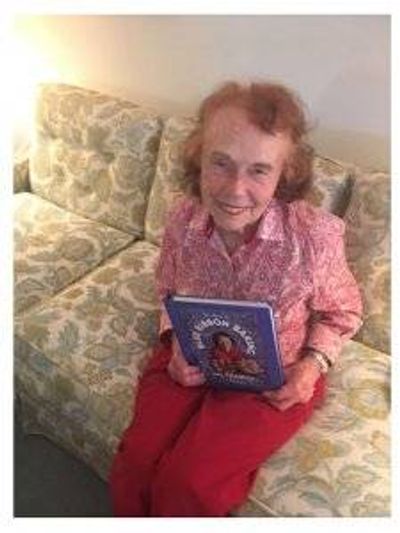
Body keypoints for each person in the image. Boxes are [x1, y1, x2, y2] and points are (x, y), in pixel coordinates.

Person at [109, 80, 362, 517]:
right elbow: (168, 288)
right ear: (198, 158)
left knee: (190, 484)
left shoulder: (315, 237)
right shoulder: (182, 217)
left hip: (274, 376)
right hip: (192, 355)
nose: (234, 189)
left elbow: (342, 312)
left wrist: (310, 367)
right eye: (220, 163)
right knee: (135, 460)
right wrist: (175, 343)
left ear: (285, 174)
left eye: (259, 170)